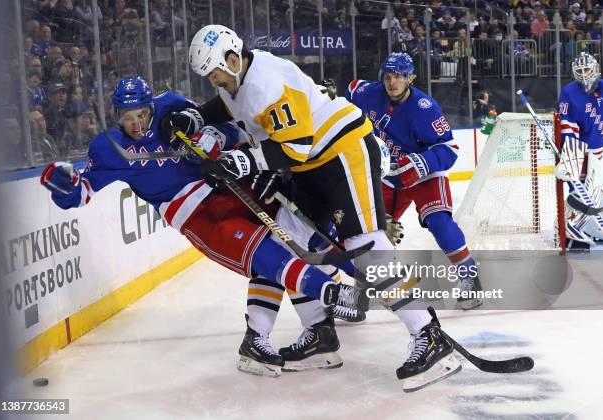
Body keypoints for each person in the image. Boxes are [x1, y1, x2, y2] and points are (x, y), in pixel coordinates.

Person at [163, 25, 462, 388]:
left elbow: (296, 146)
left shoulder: (266, 82)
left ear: (231, 59)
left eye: (215, 75)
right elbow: (229, 106)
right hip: (310, 164)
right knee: (287, 244)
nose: (214, 82)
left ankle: (428, 335)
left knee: (363, 246)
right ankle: (320, 336)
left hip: (341, 152)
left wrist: (244, 162)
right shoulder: (238, 77)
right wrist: (197, 117)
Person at [40, 77, 358, 378]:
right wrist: (63, 185)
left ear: (151, 106)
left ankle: (304, 330)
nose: (136, 124)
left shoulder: (172, 106)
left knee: (301, 237)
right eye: (127, 117)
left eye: (141, 114)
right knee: (265, 254)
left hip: (233, 184)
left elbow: (230, 128)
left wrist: (216, 137)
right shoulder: (108, 148)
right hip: (196, 213)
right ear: (115, 115)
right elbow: (80, 194)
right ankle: (333, 293)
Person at [345, 52, 483, 311]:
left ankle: (469, 278)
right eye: (388, 76)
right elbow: (350, 91)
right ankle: (362, 288)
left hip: (423, 174)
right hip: (387, 175)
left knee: (439, 221)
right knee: (367, 230)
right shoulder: (370, 93)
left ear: (411, 78)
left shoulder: (424, 108)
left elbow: (450, 148)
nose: (392, 82)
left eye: (399, 76)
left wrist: (421, 164)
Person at [556, 52, 603, 250]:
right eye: (580, 71)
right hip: (582, 151)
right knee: (580, 190)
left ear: (595, 69)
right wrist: (571, 157)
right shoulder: (569, 92)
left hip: (601, 148)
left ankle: (594, 228)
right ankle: (570, 230)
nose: (584, 75)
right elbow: (567, 126)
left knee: (598, 191)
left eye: (587, 70)